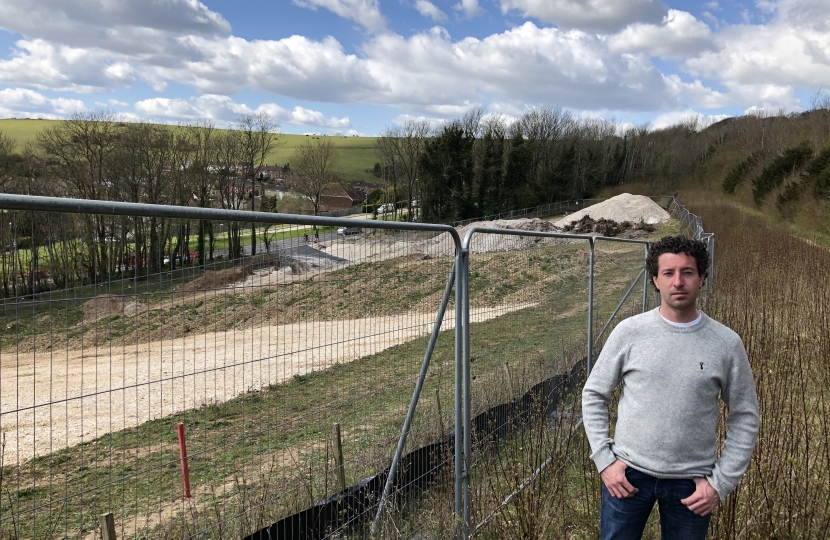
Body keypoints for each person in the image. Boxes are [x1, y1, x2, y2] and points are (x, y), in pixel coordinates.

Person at [582, 235, 759, 540]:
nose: (678, 281)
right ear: (655, 280)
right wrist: (604, 461)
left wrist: (720, 483)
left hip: (691, 485)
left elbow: (745, 416)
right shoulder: (630, 332)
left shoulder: (726, 344)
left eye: (687, 272)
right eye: (668, 273)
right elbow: (594, 393)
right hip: (626, 476)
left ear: (702, 278)